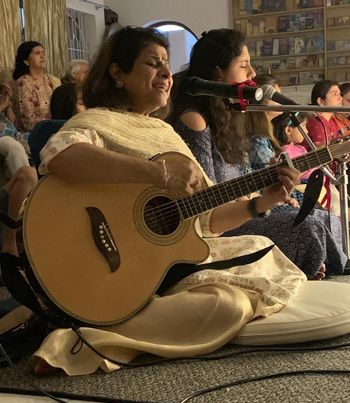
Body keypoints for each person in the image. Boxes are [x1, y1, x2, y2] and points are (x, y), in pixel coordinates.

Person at [31, 27, 306, 376]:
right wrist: (156, 174)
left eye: (167, 65)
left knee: (264, 249)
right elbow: (59, 156)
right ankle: (87, 336)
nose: (166, 74)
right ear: (117, 72)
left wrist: (260, 204)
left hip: (156, 265)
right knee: (230, 306)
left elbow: (206, 221)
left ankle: (111, 317)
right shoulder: (95, 121)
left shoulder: (165, 133)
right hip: (113, 264)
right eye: (153, 63)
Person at [169, 29, 346, 280]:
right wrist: (260, 200)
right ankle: (312, 269)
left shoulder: (229, 118)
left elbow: (241, 178)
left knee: (322, 215)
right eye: (244, 66)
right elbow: (206, 202)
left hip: (245, 209)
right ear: (218, 72)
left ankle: (317, 267)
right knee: (308, 226)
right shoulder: (194, 120)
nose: (252, 74)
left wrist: (268, 187)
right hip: (222, 225)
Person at [12, 41, 61, 132]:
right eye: (37, 53)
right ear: (26, 61)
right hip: (33, 135)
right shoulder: (23, 82)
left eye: (43, 53)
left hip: (54, 130)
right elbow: (28, 121)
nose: (42, 56)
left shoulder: (50, 80)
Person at [0, 82, 31, 179]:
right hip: (3, 137)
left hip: (12, 134)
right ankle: (27, 184)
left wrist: (8, 105)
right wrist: (2, 105)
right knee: (14, 146)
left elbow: (12, 120)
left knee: (38, 138)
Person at [305, 80, 342, 147]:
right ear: (321, 101)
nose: (340, 98)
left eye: (339, 94)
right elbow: (324, 154)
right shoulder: (316, 122)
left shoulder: (332, 121)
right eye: (334, 94)